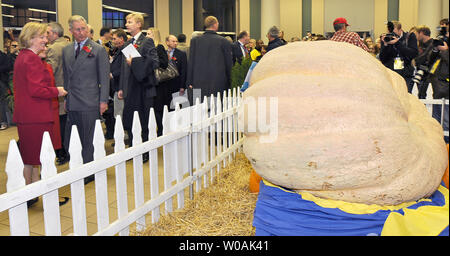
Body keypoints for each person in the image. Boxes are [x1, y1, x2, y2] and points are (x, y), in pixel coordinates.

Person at [13, 22, 67, 207]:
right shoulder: (31, 59)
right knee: (35, 158)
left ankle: (32, 193)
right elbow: (37, 90)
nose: (46, 40)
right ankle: (29, 194)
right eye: (42, 37)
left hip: (29, 115)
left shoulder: (24, 57)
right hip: (35, 115)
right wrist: (56, 91)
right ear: (31, 38)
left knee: (31, 158)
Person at [62, 15, 110, 185]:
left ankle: (88, 171)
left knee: (88, 139)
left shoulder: (97, 49)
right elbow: (67, 77)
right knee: (71, 138)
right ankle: (76, 167)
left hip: (90, 101)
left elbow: (104, 78)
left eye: (84, 29)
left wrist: (103, 100)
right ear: (71, 30)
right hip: (73, 100)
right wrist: (67, 98)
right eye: (78, 29)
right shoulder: (66, 50)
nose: (82, 33)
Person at [118, 13, 159, 163]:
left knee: (143, 120)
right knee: (130, 119)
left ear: (139, 25)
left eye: (130, 22)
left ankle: (145, 151)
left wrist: (134, 62)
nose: (127, 24)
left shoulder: (147, 41)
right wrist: (122, 87)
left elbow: (154, 62)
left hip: (143, 88)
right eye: (126, 22)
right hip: (130, 87)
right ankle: (134, 149)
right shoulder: (127, 44)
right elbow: (124, 68)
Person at [186, 16, 233, 101]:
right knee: (216, 109)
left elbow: (191, 62)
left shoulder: (195, 41)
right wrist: (231, 81)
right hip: (218, 82)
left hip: (198, 82)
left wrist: (189, 82)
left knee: (199, 109)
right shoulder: (224, 41)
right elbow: (228, 64)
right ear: (215, 25)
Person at [46, 22, 70, 165]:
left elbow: (50, 71)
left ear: (55, 34)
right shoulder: (68, 45)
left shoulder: (53, 49)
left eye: (48, 33)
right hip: (68, 89)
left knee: (59, 124)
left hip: (58, 90)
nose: (46, 36)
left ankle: (61, 152)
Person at [379, 21, 418, 92]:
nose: (391, 35)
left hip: (406, 74)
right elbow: (382, 58)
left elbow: (413, 53)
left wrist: (397, 43)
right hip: (391, 74)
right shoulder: (386, 38)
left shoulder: (410, 37)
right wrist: (385, 45)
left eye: (393, 32)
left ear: (400, 30)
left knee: (405, 96)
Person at [146, 27, 169, 137]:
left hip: (160, 84)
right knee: (154, 109)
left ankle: (161, 131)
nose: (146, 35)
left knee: (158, 109)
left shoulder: (159, 47)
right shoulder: (148, 47)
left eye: (149, 33)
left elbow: (164, 63)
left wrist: (153, 61)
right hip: (152, 82)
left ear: (154, 35)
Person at [163, 35, 188, 110]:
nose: (175, 43)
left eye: (176, 41)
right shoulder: (163, 53)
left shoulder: (181, 54)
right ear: (167, 42)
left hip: (176, 84)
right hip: (165, 85)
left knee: (176, 106)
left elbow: (184, 70)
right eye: (173, 41)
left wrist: (182, 86)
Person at [110, 29, 127, 120]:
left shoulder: (126, 49)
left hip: (121, 86)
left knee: (119, 114)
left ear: (121, 39)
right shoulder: (118, 50)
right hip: (117, 86)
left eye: (114, 38)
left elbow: (125, 68)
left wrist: (112, 74)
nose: (113, 41)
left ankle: (123, 133)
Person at [0, 48, 13, 130]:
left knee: (2, 101)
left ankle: (3, 122)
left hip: (2, 81)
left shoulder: (2, 55)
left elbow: (8, 66)